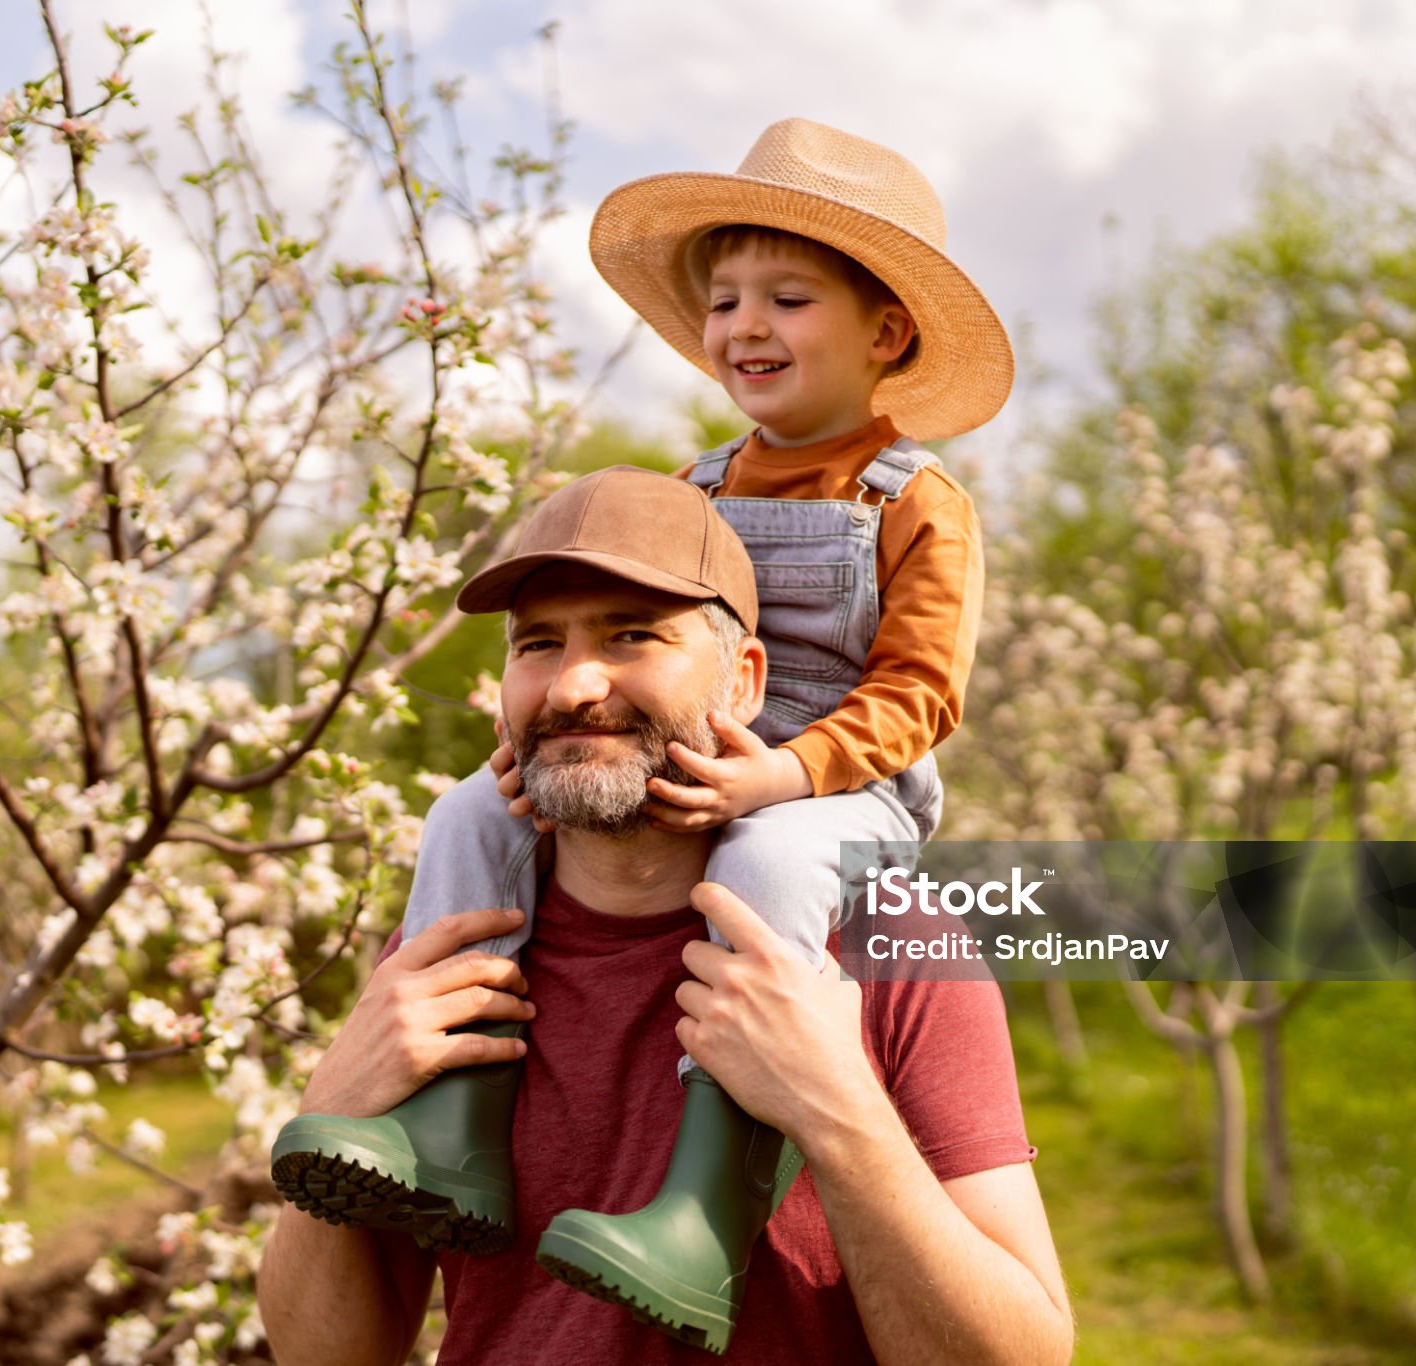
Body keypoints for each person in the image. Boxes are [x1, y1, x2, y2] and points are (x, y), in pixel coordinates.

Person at [273, 118, 1017, 1351]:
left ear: (886, 332)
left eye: (787, 296)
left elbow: (920, 696)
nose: (744, 326)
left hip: (833, 791)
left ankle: (705, 1196)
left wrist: (777, 771)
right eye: (724, 300)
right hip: (708, 768)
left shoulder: (918, 505)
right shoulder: (697, 491)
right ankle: (448, 1130)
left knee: (767, 862)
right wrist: (345, 1079)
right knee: (460, 812)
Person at [256, 470, 1071, 1362]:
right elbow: (327, 1355)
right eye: (537, 645)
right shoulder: (451, 942)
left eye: (632, 635)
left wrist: (838, 1112)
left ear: (744, 682)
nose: (572, 687)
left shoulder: (889, 945)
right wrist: (334, 1092)